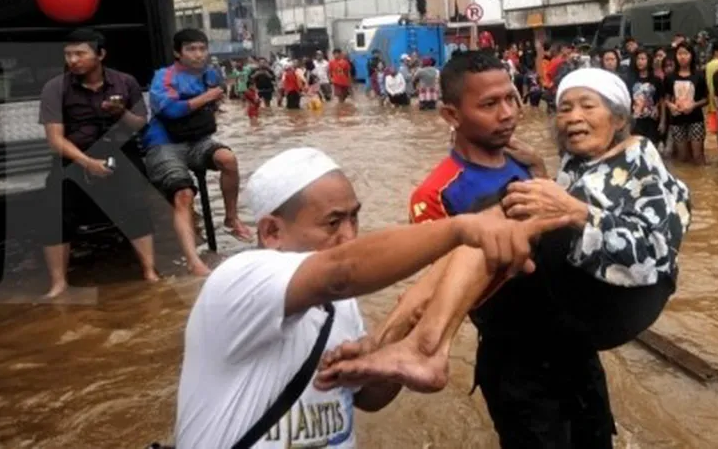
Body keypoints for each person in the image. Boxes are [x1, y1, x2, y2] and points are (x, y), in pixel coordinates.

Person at [316, 64, 691, 449]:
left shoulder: (531, 169)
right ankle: (397, 344)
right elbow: (451, 293)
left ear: (618, 118)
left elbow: (584, 235)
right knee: (488, 222)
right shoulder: (437, 192)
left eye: (511, 99)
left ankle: (407, 346)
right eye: (490, 104)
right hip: (518, 362)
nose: (508, 113)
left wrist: (547, 196)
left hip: (575, 351)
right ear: (451, 115)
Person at [175, 146, 572, 449]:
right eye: (333, 222)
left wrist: (392, 363)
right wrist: (461, 229)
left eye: (354, 217)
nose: (350, 235)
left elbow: (366, 400)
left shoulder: (340, 306)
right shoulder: (238, 282)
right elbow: (343, 269)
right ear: (271, 232)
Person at [37, 29, 157, 298]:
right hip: (74, 154)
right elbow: (55, 140)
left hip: (120, 151)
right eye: (68, 54)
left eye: (80, 53)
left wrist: (121, 112)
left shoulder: (125, 83)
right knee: (55, 211)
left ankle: (149, 271)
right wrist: (87, 162)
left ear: (100, 55)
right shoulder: (55, 88)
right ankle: (59, 283)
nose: (73, 60)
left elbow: (139, 124)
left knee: (136, 205)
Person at [143, 28, 253, 276]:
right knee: (183, 194)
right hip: (164, 144)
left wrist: (211, 98)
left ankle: (231, 218)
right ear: (177, 53)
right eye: (191, 49)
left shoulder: (210, 74)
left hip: (198, 140)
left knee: (228, 159)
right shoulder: (165, 76)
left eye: (202, 49)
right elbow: (169, 110)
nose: (198, 54)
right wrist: (206, 97)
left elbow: (216, 102)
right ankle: (194, 260)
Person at [665, 42, 709, 164]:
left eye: (685, 53)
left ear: (691, 55)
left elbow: (706, 99)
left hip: (696, 119)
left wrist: (694, 105)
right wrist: (671, 106)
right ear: (676, 56)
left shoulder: (699, 76)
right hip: (677, 120)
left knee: (698, 155)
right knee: (682, 157)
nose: (682, 57)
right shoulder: (670, 77)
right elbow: (666, 98)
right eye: (679, 53)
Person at [627, 50, 664, 144]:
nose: (640, 61)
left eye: (643, 59)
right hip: (635, 121)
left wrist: (663, 121)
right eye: (638, 59)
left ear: (649, 61)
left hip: (652, 121)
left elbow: (662, 100)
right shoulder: (630, 80)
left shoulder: (656, 80)